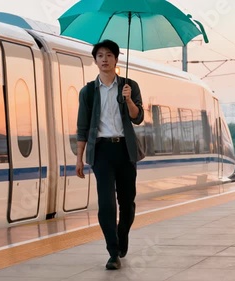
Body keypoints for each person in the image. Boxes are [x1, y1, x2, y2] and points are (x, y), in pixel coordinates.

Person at [76, 39, 144, 270]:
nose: (104, 59)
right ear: (95, 60)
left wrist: (127, 99)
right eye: (100, 56)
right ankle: (112, 252)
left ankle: (122, 235)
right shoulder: (88, 92)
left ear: (116, 59)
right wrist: (79, 159)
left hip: (125, 150)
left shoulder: (129, 85)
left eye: (109, 55)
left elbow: (137, 117)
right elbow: (82, 127)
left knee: (127, 202)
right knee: (106, 204)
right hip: (102, 151)